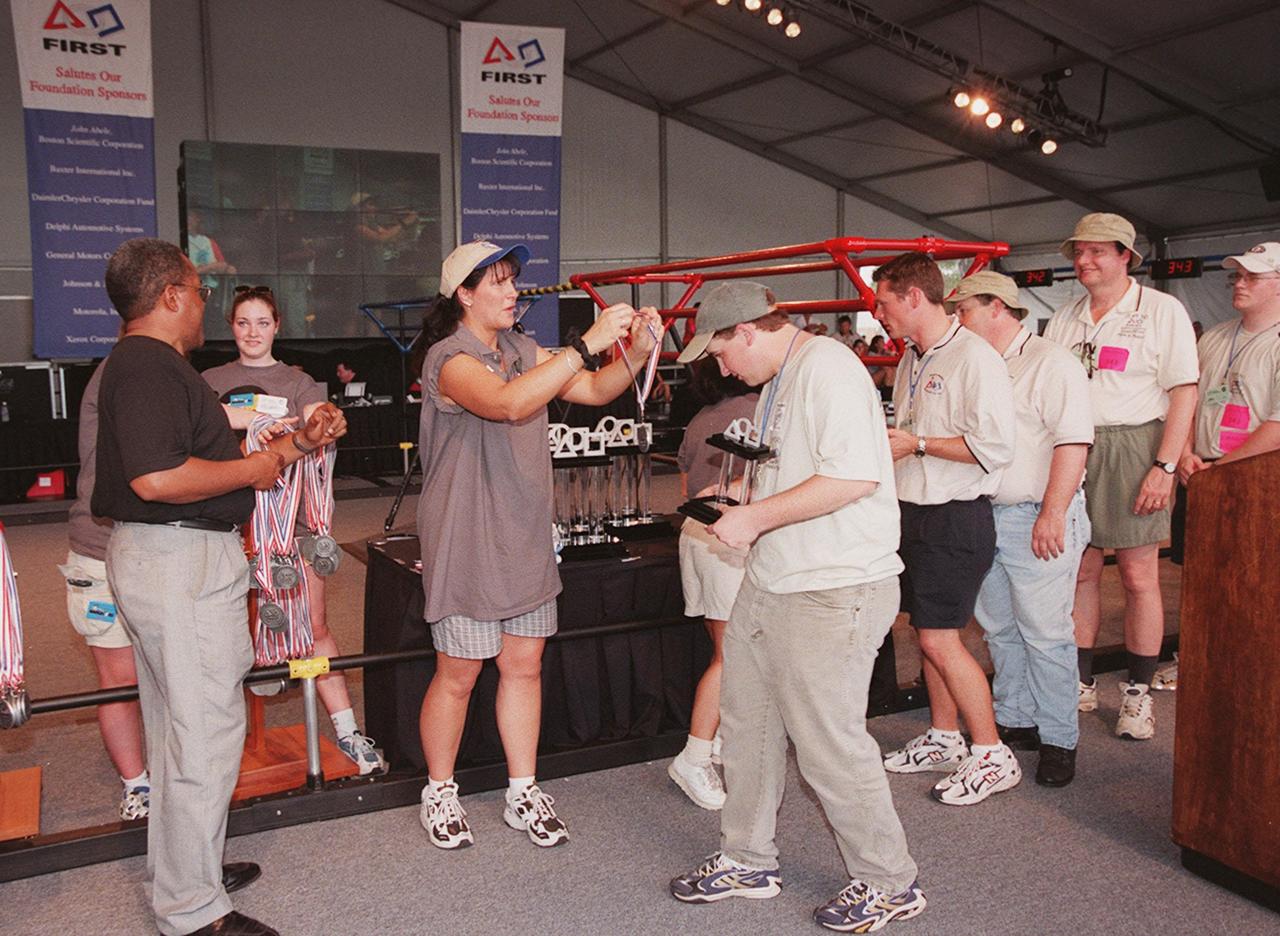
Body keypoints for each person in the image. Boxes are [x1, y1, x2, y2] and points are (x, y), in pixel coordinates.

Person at [94, 237, 347, 936]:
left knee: (182, 731)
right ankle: (193, 910)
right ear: (171, 294)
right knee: (204, 735)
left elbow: (205, 459)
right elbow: (158, 478)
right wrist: (250, 474)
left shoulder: (155, 367)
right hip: (177, 561)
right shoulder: (148, 366)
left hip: (168, 558)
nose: (207, 302)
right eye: (200, 290)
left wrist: (294, 447)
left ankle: (185, 869)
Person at [668, 282, 924, 933]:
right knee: (747, 726)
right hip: (775, 577)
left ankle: (888, 881)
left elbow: (854, 476)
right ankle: (748, 857)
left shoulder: (830, 369)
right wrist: (743, 491)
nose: (721, 370)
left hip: (834, 585)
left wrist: (755, 516)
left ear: (748, 331)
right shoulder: (782, 378)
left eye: (722, 354)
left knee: (826, 742)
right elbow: (798, 468)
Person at [415, 241, 661, 850]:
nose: (511, 291)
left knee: (523, 667)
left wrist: (636, 348)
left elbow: (599, 391)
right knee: (459, 673)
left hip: (524, 534)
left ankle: (522, 788)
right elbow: (507, 403)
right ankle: (439, 790)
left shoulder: (524, 349)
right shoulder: (448, 358)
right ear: (464, 296)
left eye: (512, 280)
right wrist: (587, 342)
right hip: (467, 541)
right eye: (495, 283)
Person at [202, 284, 386, 775]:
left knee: (316, 629)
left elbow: (313, 421)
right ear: (232, 327)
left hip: (293, 532)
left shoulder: (297, 380)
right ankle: (214, 750)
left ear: (277, 326)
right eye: (243, 323)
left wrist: (316, 420)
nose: (253, 332)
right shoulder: (209, 378)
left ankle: (347, 731)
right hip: (228, 528)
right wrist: (260, 418)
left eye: (262, 323)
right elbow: (202, 426)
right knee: (220, 640)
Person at [872, 252, 1020, 806]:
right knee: (925, 630)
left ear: (914, 297)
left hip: (957, 517)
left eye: (884, 302)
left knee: (940, 636)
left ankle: (991, 754)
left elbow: (994, 448)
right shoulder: (912, 355)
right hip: (914, 512)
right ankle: (944, 735)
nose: (878, 313)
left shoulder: (975, 359)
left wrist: (919, 444)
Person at [1044, 214, 1198, 740]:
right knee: (1081, 573)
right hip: (1075, 447)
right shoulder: (1064, 318)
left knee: (1138, 577)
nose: (1084, 261)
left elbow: (1184, 393)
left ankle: (1137, 693)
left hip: (1137, 446)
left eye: (1097, 252)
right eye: (1078, 252)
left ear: (1125, 256)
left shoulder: (1160, 310)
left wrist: (1165, 465)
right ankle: (1082, 681)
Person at [951, 272, 1094, 787]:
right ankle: (1016, 719)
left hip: (1035, 512)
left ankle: (1060, 738)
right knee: (1001, 629)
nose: (957, 320)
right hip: (984, 512)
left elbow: (1072, 442)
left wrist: (1053, 512)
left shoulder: (1051, 362)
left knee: (1047, 633)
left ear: (996, 307)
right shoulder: (977, 364)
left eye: (963, 310)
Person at [1168, 241, 1280, 689]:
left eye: (1252, 277)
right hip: (1200, 472)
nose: (1239, 283)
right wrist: (1182, 453)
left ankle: (1252, 665)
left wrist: (1223, 468)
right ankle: (1197, 654)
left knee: (1256, 576)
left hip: (1254, 478)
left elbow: (1277, 424)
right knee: (1200, 574)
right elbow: (1186, 400)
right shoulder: (1214, 337)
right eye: (1236, 275)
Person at [60, 362, 150, 820]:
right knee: (119, 681)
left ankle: (167, 785)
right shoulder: (124, 372)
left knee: (166, 679)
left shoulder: (152, 370)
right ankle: (137, 787)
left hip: (154, 551)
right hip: (101, 549)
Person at [669, 358, 759, 810]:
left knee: (727, 652)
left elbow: (688, 487)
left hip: (696, 536)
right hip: (726, 537)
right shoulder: (763, 409)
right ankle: (695, 754)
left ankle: (718, 738)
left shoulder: (697, 422)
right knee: (731, 655)